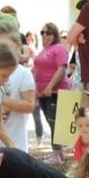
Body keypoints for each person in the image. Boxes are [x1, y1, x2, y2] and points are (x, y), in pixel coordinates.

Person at [0, 22, 36, 152]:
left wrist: (0, 99)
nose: (2, 50)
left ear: (18, 47)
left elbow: (30, 106)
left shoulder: (23, 74)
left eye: (7, 46)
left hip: (16, 146)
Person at [33, 21, 71, 155]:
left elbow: (61, 69)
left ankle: (57, 153)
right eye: (42, 32)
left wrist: (50, 86)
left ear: (54, 34)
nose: (44, 35)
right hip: (42, 92)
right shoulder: (43, 50)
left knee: (53, 120)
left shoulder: (59, 48)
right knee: (50, 121)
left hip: (56, 91)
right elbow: (36, 69)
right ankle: (58, 151)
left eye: (48, 32)